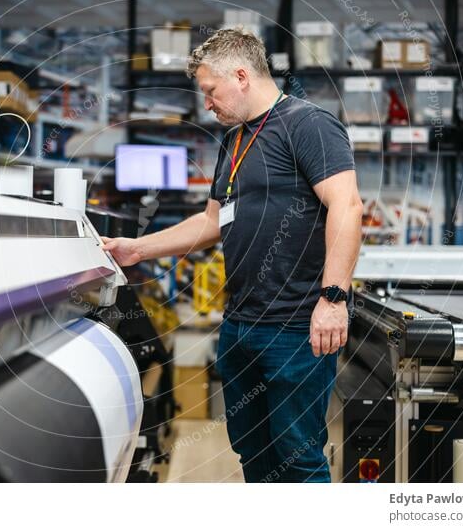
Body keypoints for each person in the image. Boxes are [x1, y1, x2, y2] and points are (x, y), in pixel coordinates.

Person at [102, 28, 362, 483]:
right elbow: (210, 221)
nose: (207, 103)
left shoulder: (308, 124)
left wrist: (334, 299)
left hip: (296, 326)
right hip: (241, 324)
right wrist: (136, 248)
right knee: (254, 455)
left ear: (241, 76)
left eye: (210, 91)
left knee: (298, 459)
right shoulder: (234, 141)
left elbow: (348, 205)